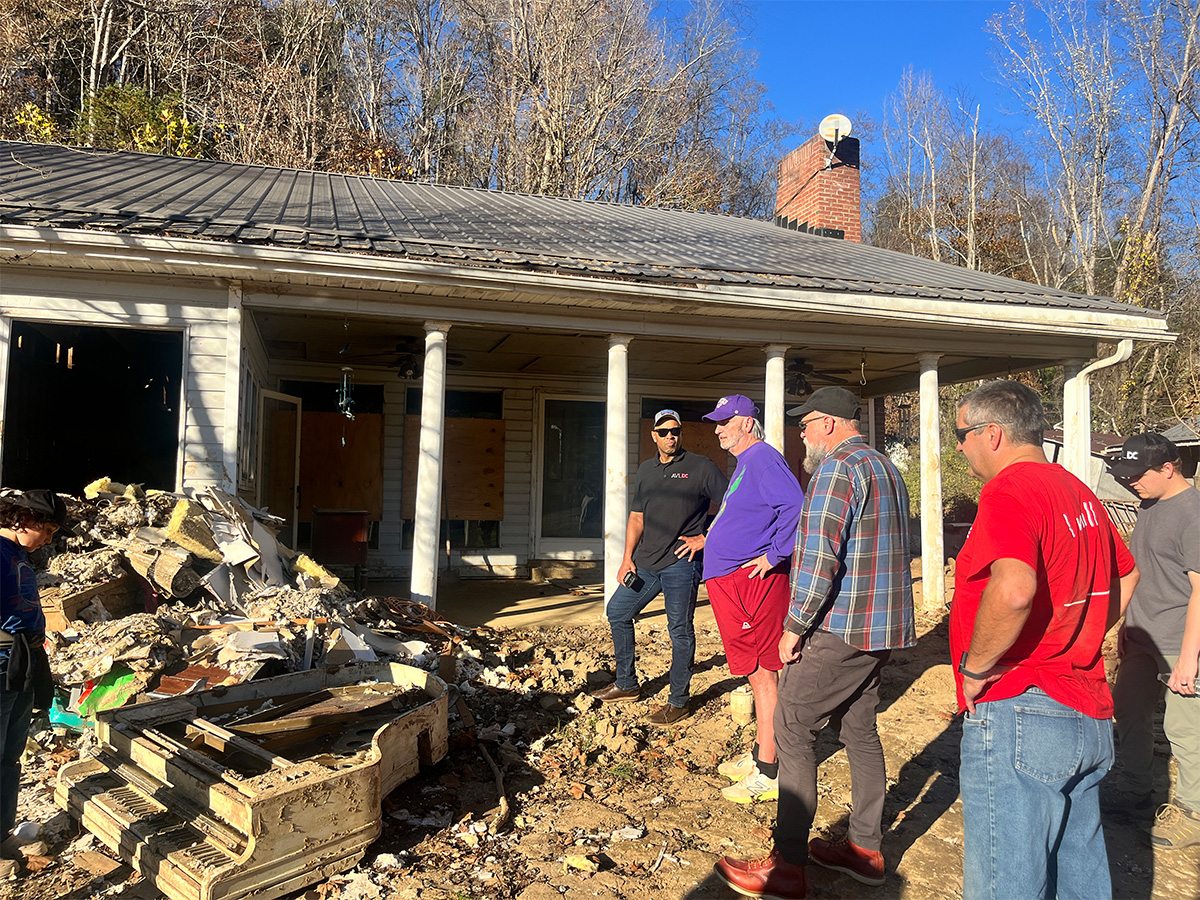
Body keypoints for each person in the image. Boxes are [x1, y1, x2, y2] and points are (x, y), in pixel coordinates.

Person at [716, 386, 915, 899]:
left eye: (804, 425)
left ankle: (786, 865)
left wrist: (794, 626)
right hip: (882, 628)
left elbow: (819, 554)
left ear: (828, 423)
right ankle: (865, 850)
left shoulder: (836, 471)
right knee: (859, 730)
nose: (799, 434)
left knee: (792, 725)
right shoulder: (886, 469)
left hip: (841, 626)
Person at [948, 381, 1138, 900]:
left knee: (1007, 884)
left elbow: (1012, 592)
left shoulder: (1009, 491)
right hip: (1086, 709)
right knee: (1079, 876)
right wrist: (1082, 636)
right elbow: (1129, 573)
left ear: (993, 433)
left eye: (961, 435)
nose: (959, 447)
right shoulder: (1077, 491)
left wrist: (975, 668)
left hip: (1021, 707)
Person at [590, 409, 728, 725]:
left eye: (675, 431)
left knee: (679, 630)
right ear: (654, 435)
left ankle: (678, 701)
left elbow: (733, 503)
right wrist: (627, 557)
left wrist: (705, 538)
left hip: (681, 565)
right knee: (618, 612)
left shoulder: (700, 467)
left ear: (681, 433)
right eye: (663, 431)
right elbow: (637, 516)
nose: (670, 436)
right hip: (646, 565)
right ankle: (626, 684)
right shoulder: (647, 470)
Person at [700, 394, 805, 804]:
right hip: (731, 581)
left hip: (752, 583)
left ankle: (770, 769)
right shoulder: (746, 463)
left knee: (764, 672)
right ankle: (764, 751)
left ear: (746, 423)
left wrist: (775, 553)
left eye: (724, 422)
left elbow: (795, 506)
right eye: (717, 421)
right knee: (752, 671)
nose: (717, 428)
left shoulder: (763, 458)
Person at [1108, 432, 1200, 849]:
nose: (1131, 483)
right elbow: (1143, 573)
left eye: (1138, 474)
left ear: (1168, 468)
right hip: (1142, 638)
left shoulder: (1193, 514)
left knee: (1185, 731)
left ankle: (1192, 814)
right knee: (1129, 713)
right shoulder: (1148, 505)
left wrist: (1188, 658)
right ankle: (1138, 793)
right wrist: (1126, 628)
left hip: (1180, 642)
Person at [1, 489, 75, 877]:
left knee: (9, 756)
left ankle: (1, 837)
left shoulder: (18, 556)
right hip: (1, 663)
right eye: (46, 530)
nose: (48, 539)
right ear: (22, 520)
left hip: (24, 662)